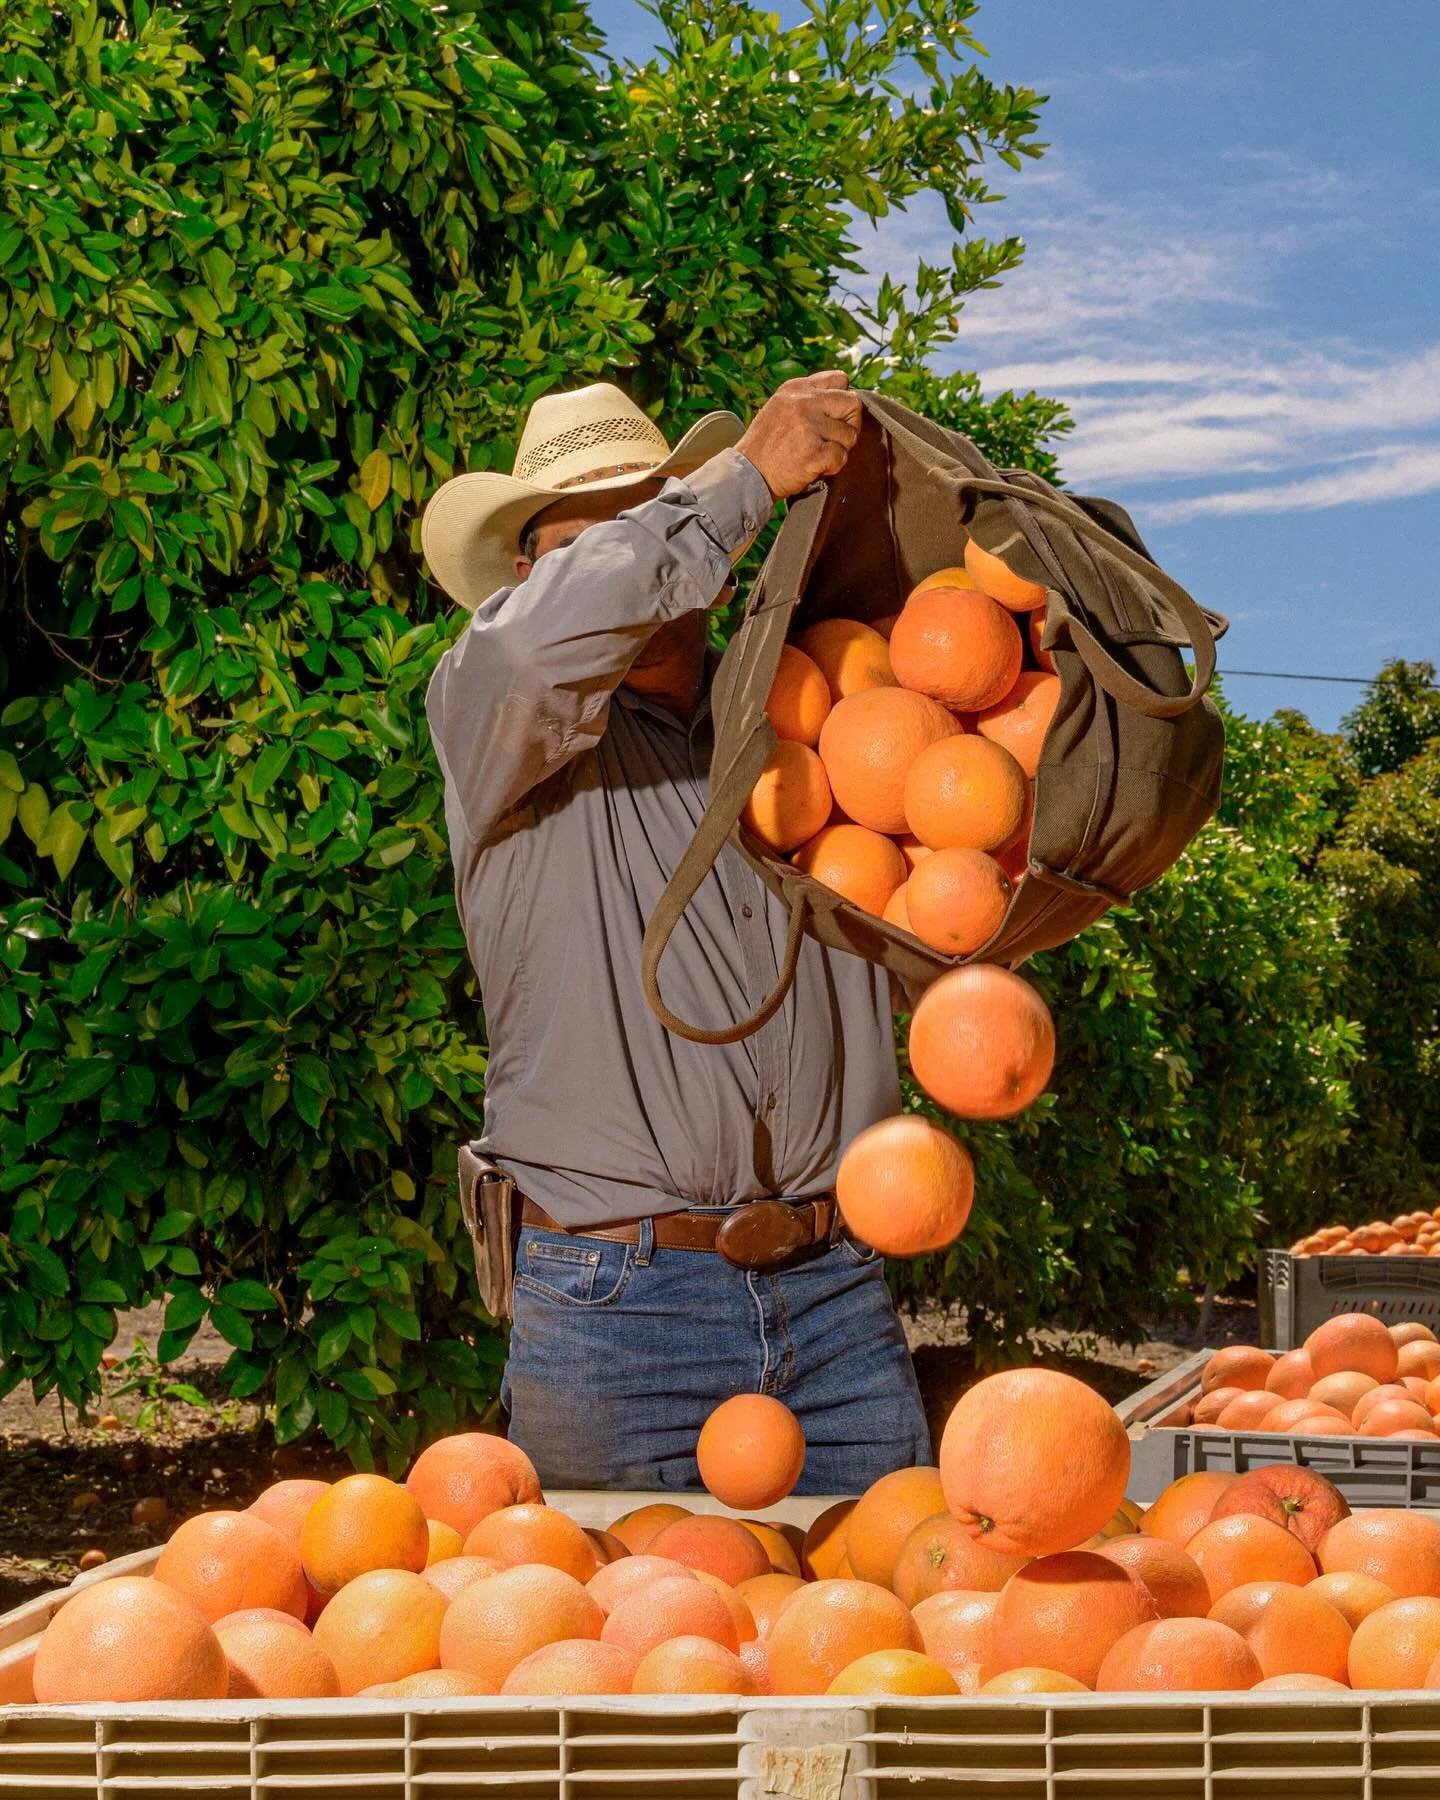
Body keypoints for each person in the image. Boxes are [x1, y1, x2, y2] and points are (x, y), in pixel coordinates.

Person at [421, 372, 931, 1492]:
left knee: (869, 1654)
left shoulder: (821, 737)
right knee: (625, 1653)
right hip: (616, 1315)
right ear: (524, 579)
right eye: (585, 540)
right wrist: (737, 483)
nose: (636, 561)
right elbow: (524, 654)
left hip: (836, 1297)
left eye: (646, 516)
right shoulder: (498, 725)